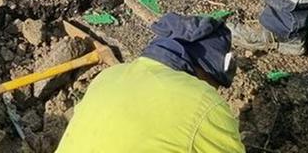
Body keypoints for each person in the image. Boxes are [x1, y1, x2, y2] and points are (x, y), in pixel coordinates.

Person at [54, 13, 244, 152]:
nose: (214, 90)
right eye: (214, 84)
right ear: (203, 70)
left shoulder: (108, 77)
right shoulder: (204, 102)